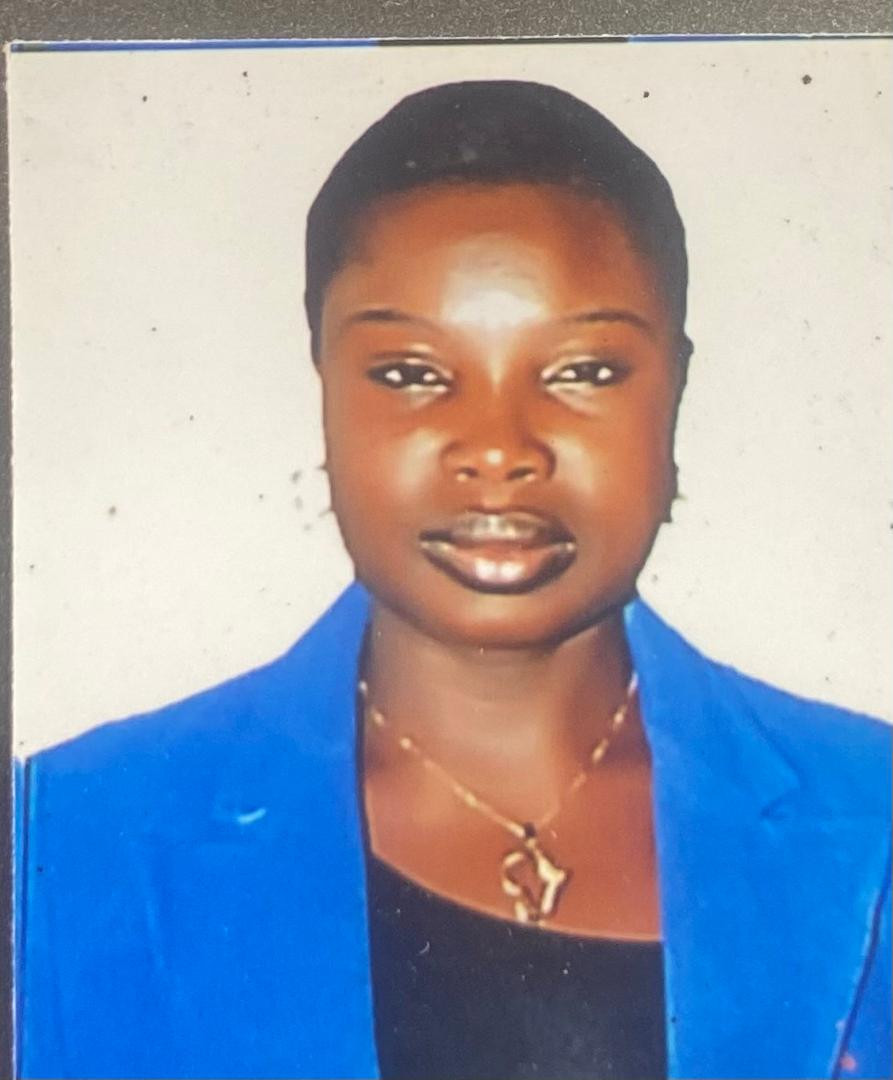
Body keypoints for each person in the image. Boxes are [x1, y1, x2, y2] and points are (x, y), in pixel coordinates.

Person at [16, 80, 891, 1080]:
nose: (499, 449)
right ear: (322, 382)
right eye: (411, 374)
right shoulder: (67, 843)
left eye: (582, 371)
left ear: (674, 388)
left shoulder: (870, 815)